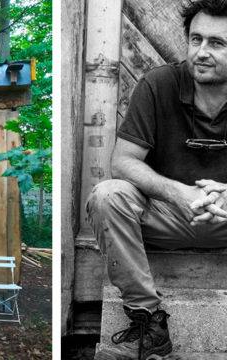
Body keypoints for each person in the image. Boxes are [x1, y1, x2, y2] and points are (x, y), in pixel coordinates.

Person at [86, 1, 227, 359]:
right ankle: (149, 322)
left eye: (217, 43)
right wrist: (177, 192)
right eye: (196, 40)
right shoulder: (159, 84)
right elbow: (123, 162)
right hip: (167, 214)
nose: (202, 52)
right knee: (107, 196)